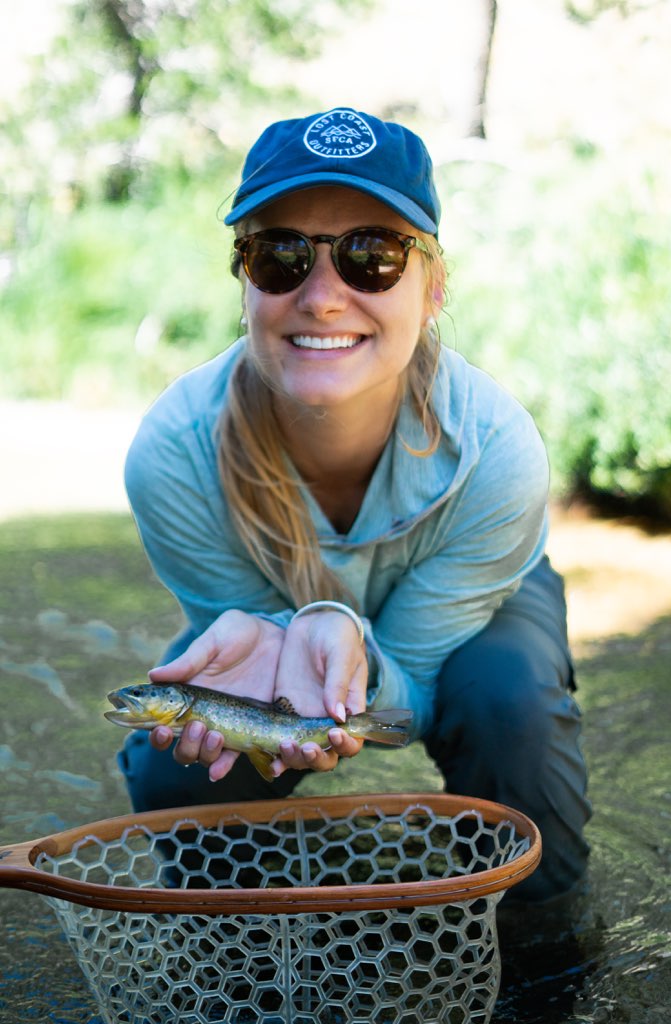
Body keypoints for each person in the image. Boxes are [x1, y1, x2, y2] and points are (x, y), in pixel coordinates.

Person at [118, 106, 591, 901]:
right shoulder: (173, 455)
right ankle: (239, 950)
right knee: (182, 759)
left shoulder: (498, 451)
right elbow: (259, 662)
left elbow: (412, 696)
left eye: (372, 256)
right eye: (280, 256)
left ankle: (547, 944)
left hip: (476, 617)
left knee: (508, 706)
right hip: (274, 619)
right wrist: (280, 651)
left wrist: (358, 662)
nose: (323, 298)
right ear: (244, 281)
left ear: (433, 287)